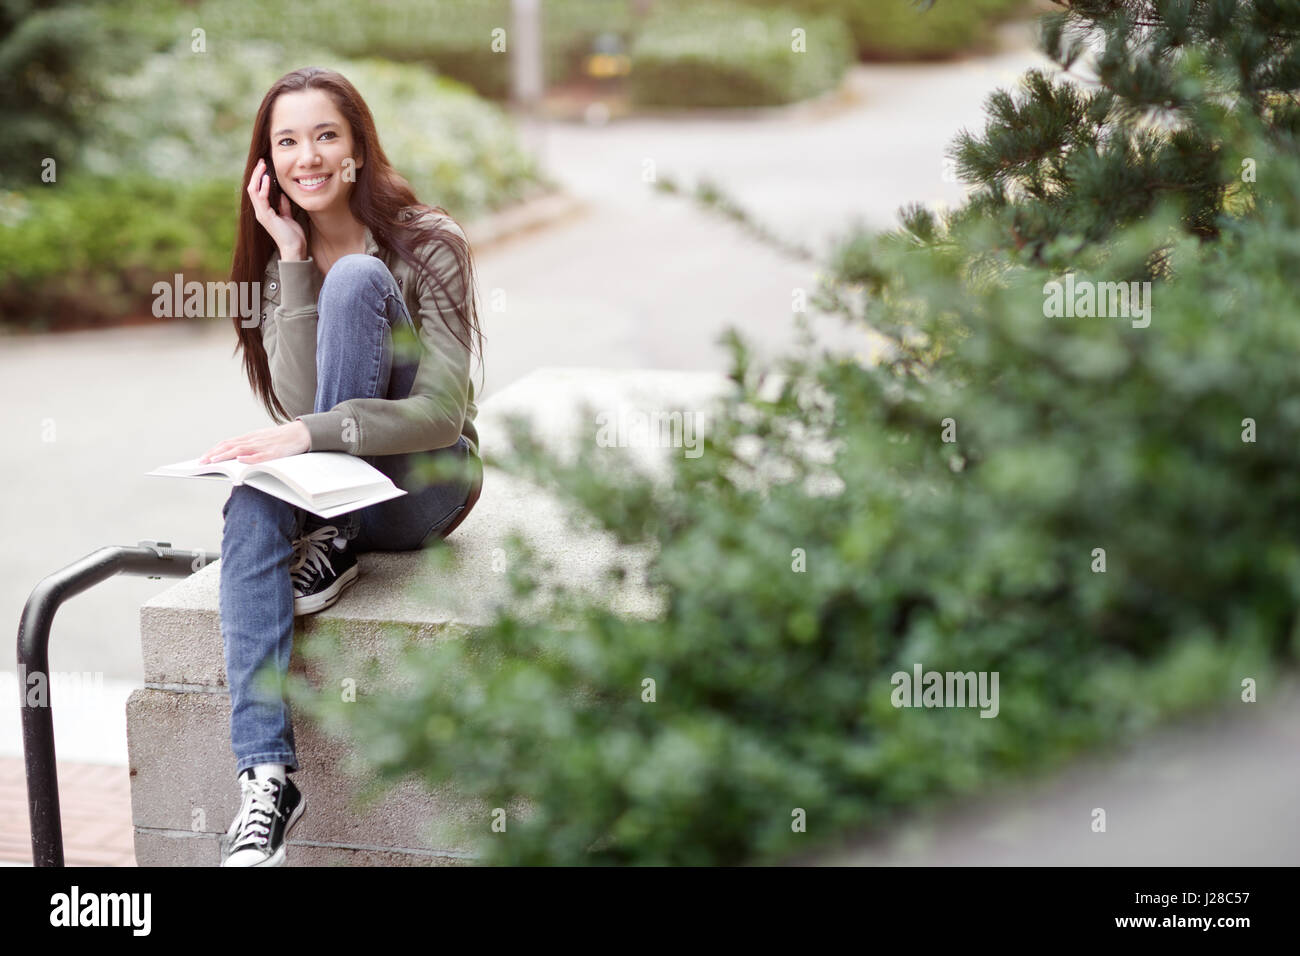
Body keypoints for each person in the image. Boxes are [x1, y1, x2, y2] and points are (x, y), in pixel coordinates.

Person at [197, 66, 485, 867]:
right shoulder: (275, 262)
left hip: (425, 485)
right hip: (339, 499)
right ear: (266, 163)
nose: (307, 156)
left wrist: (304, 439)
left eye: (326, 134)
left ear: (358, 146)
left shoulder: (429, 242)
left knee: (357, 277)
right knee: (251, 502)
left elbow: (441, 414)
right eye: (286, 141)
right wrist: (291, 257)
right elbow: (297, 407)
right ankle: (265, 777)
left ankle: (338, 527)